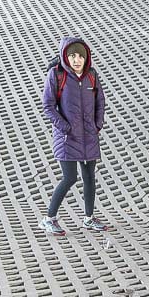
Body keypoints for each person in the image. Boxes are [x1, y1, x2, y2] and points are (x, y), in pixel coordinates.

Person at [41, 37, 110, 235]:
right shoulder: (57, 75)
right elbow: (48, 106)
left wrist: (97, 124)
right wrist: (65, 127)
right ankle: (49, 218)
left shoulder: (91, 75)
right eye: (72, 56)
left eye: (80, 55)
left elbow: (100, 102)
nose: (77, 60)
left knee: (89, 177)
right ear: (65, 57)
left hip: (89, 136)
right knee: (69, 177)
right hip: (67, 137)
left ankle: (89, 218)